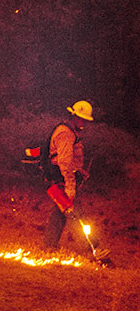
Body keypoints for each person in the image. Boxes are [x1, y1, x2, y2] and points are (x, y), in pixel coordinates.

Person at [42, 100, 93, 251]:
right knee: (77, 215)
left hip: (63, 178)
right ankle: (94, 249)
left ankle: (49, 246)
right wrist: (70, 187)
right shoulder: (65, 133)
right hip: (62, 179)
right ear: (74, 117)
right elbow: (64, 162)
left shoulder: (71, 131)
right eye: (82, 119)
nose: (84, 123)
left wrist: (80, 171)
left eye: (85, 120)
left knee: (60, 214)